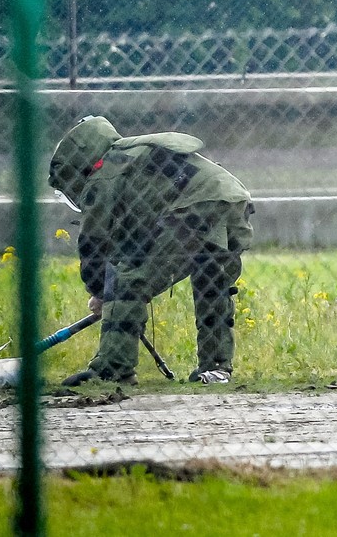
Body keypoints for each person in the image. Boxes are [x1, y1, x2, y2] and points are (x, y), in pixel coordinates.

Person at [47, 116, 254, 386]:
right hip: (233, 203)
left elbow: (93, 242)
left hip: (193, 210)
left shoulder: (105, 171)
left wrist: (102, 292)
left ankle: (112, 369)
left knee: (128, 284)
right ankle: (216, 368)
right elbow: (141, 228)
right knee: (211, 285)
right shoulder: (132, 156)